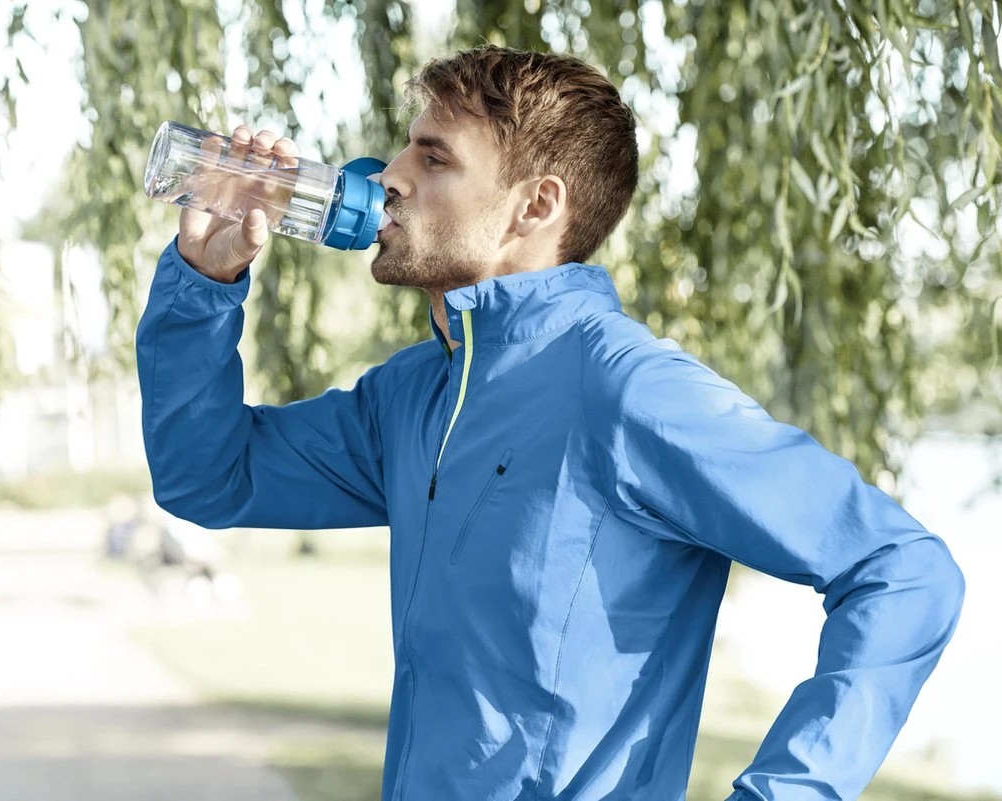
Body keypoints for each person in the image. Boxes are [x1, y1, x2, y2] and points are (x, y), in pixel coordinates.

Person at [135, 45, 964, 801]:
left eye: (434, 158)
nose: (389, 176)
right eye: (405, 148)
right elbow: (208, 475)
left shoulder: (628, 389)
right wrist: (204, 283)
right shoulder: (416, 394)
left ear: (534, 206)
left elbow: (903, 571)